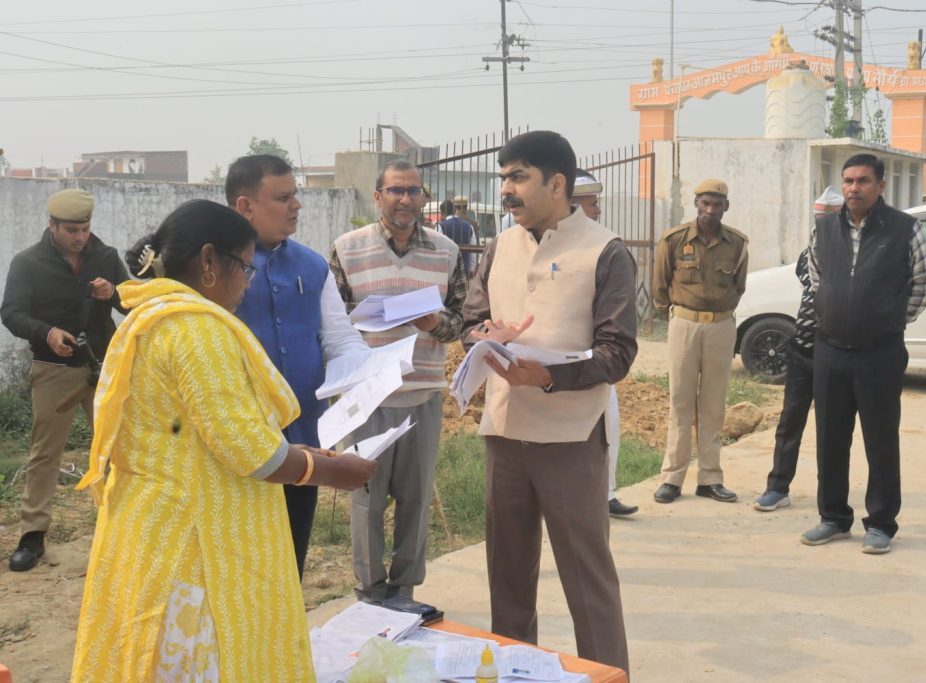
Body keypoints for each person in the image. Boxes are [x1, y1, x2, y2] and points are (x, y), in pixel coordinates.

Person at [70, 200, 377, 682]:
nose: (248, 283)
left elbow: (203, 433)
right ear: (209, 260)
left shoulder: (149, 316)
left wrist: (299, 454)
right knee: (202, 660)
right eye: (245, 268)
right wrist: (333, 470)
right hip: (192, 544)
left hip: (151, 527)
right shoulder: (197, 331)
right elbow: (251, 452)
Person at [462, 130, 634, 673]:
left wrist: (549, 377)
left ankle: (607, 674)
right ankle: (516, 671)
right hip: (505, 432)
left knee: (587, 580)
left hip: (571, 437)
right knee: (508, 576)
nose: (506, 189)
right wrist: (484, 335)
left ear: (557, 184)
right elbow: (470, 319)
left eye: (518, 177)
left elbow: (618, 353)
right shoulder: (499, 246)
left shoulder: (605, 250)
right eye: (504, 177)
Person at [328, 160, 466, 602]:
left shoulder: (446, 252)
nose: (405, 199)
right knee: (365, 495)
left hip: (422, 392)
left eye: (413, 191)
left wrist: (434, 322)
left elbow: (459, 321)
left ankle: (404, 589)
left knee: (415, 497)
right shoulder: (347, 249)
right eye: (395, 191)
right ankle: (370, 591)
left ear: (423, 197)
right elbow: (332, 321)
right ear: (378, 197)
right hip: (367, 395)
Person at [227, 154, 369, 578]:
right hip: (239, 445)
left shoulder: (312, 265)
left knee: (289, 565)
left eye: (296, 195)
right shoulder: (216, 269)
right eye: (283, 197)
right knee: (239, 570)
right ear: (245, 206)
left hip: (305, 440)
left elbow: (339, 337)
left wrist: (372, 371)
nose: (296, 205)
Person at [801, 153, 926, 554]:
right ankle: (833, 517)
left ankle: (880, 523)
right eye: (848, 181)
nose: (853, 188)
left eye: (862, 181)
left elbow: (923, 285)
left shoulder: (904, 229)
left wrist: (887, 320)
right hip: (831, 351)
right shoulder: (824, 229)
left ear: (881, 186)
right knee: (830, 439)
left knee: (880, 441)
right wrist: (833, 313)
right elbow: (817, 278)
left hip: (880, 354)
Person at [1, 188, 130, 572]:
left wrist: (114, 292)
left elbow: (131, 304)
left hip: (104, 366)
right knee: (45, 453)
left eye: (85, 229)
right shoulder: (28, 263)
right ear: (52, 225)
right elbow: (11, 312)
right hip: (52, 369)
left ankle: (123, 527)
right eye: (72, 230)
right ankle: (33, 535)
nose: (80, 237)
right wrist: (47, 332)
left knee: (118, 449)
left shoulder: (106, 256)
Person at [652, 179, 749, 505]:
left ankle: (710, 478)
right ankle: (672, 478)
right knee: (680, 401)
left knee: (713, 403)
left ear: (725, 206)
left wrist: (719, 312)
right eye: (705, 203)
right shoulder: (675, 239)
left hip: (721, 327)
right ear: (696, 204)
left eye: (716, 204)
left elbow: (738, 286)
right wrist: (675, 314)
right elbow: (660, 285)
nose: (710, 210)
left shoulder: (737, 244)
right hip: (684, 324)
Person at [573, 168, 638, 517]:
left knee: (608, 427)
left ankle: (606, 493)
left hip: (598, 358)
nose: (597, 210)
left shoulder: (605, 247)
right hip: (557, 362)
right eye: (592, 203)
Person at [753, 247, 816, 511]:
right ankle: (778, 488)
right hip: (802, 350)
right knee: (790, 421)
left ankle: (831, 495)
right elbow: (805, 280)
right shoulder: (808, 254)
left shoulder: (853, 253)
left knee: (832, 428)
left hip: (835, 352)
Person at [437, 198, 478, 275]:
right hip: (464, 270)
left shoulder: (440, 226)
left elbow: (437, 247)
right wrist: (472, 268)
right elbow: (473, 250)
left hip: (446, 270)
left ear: (442, 213)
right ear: (454, 211)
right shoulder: (469, 226)